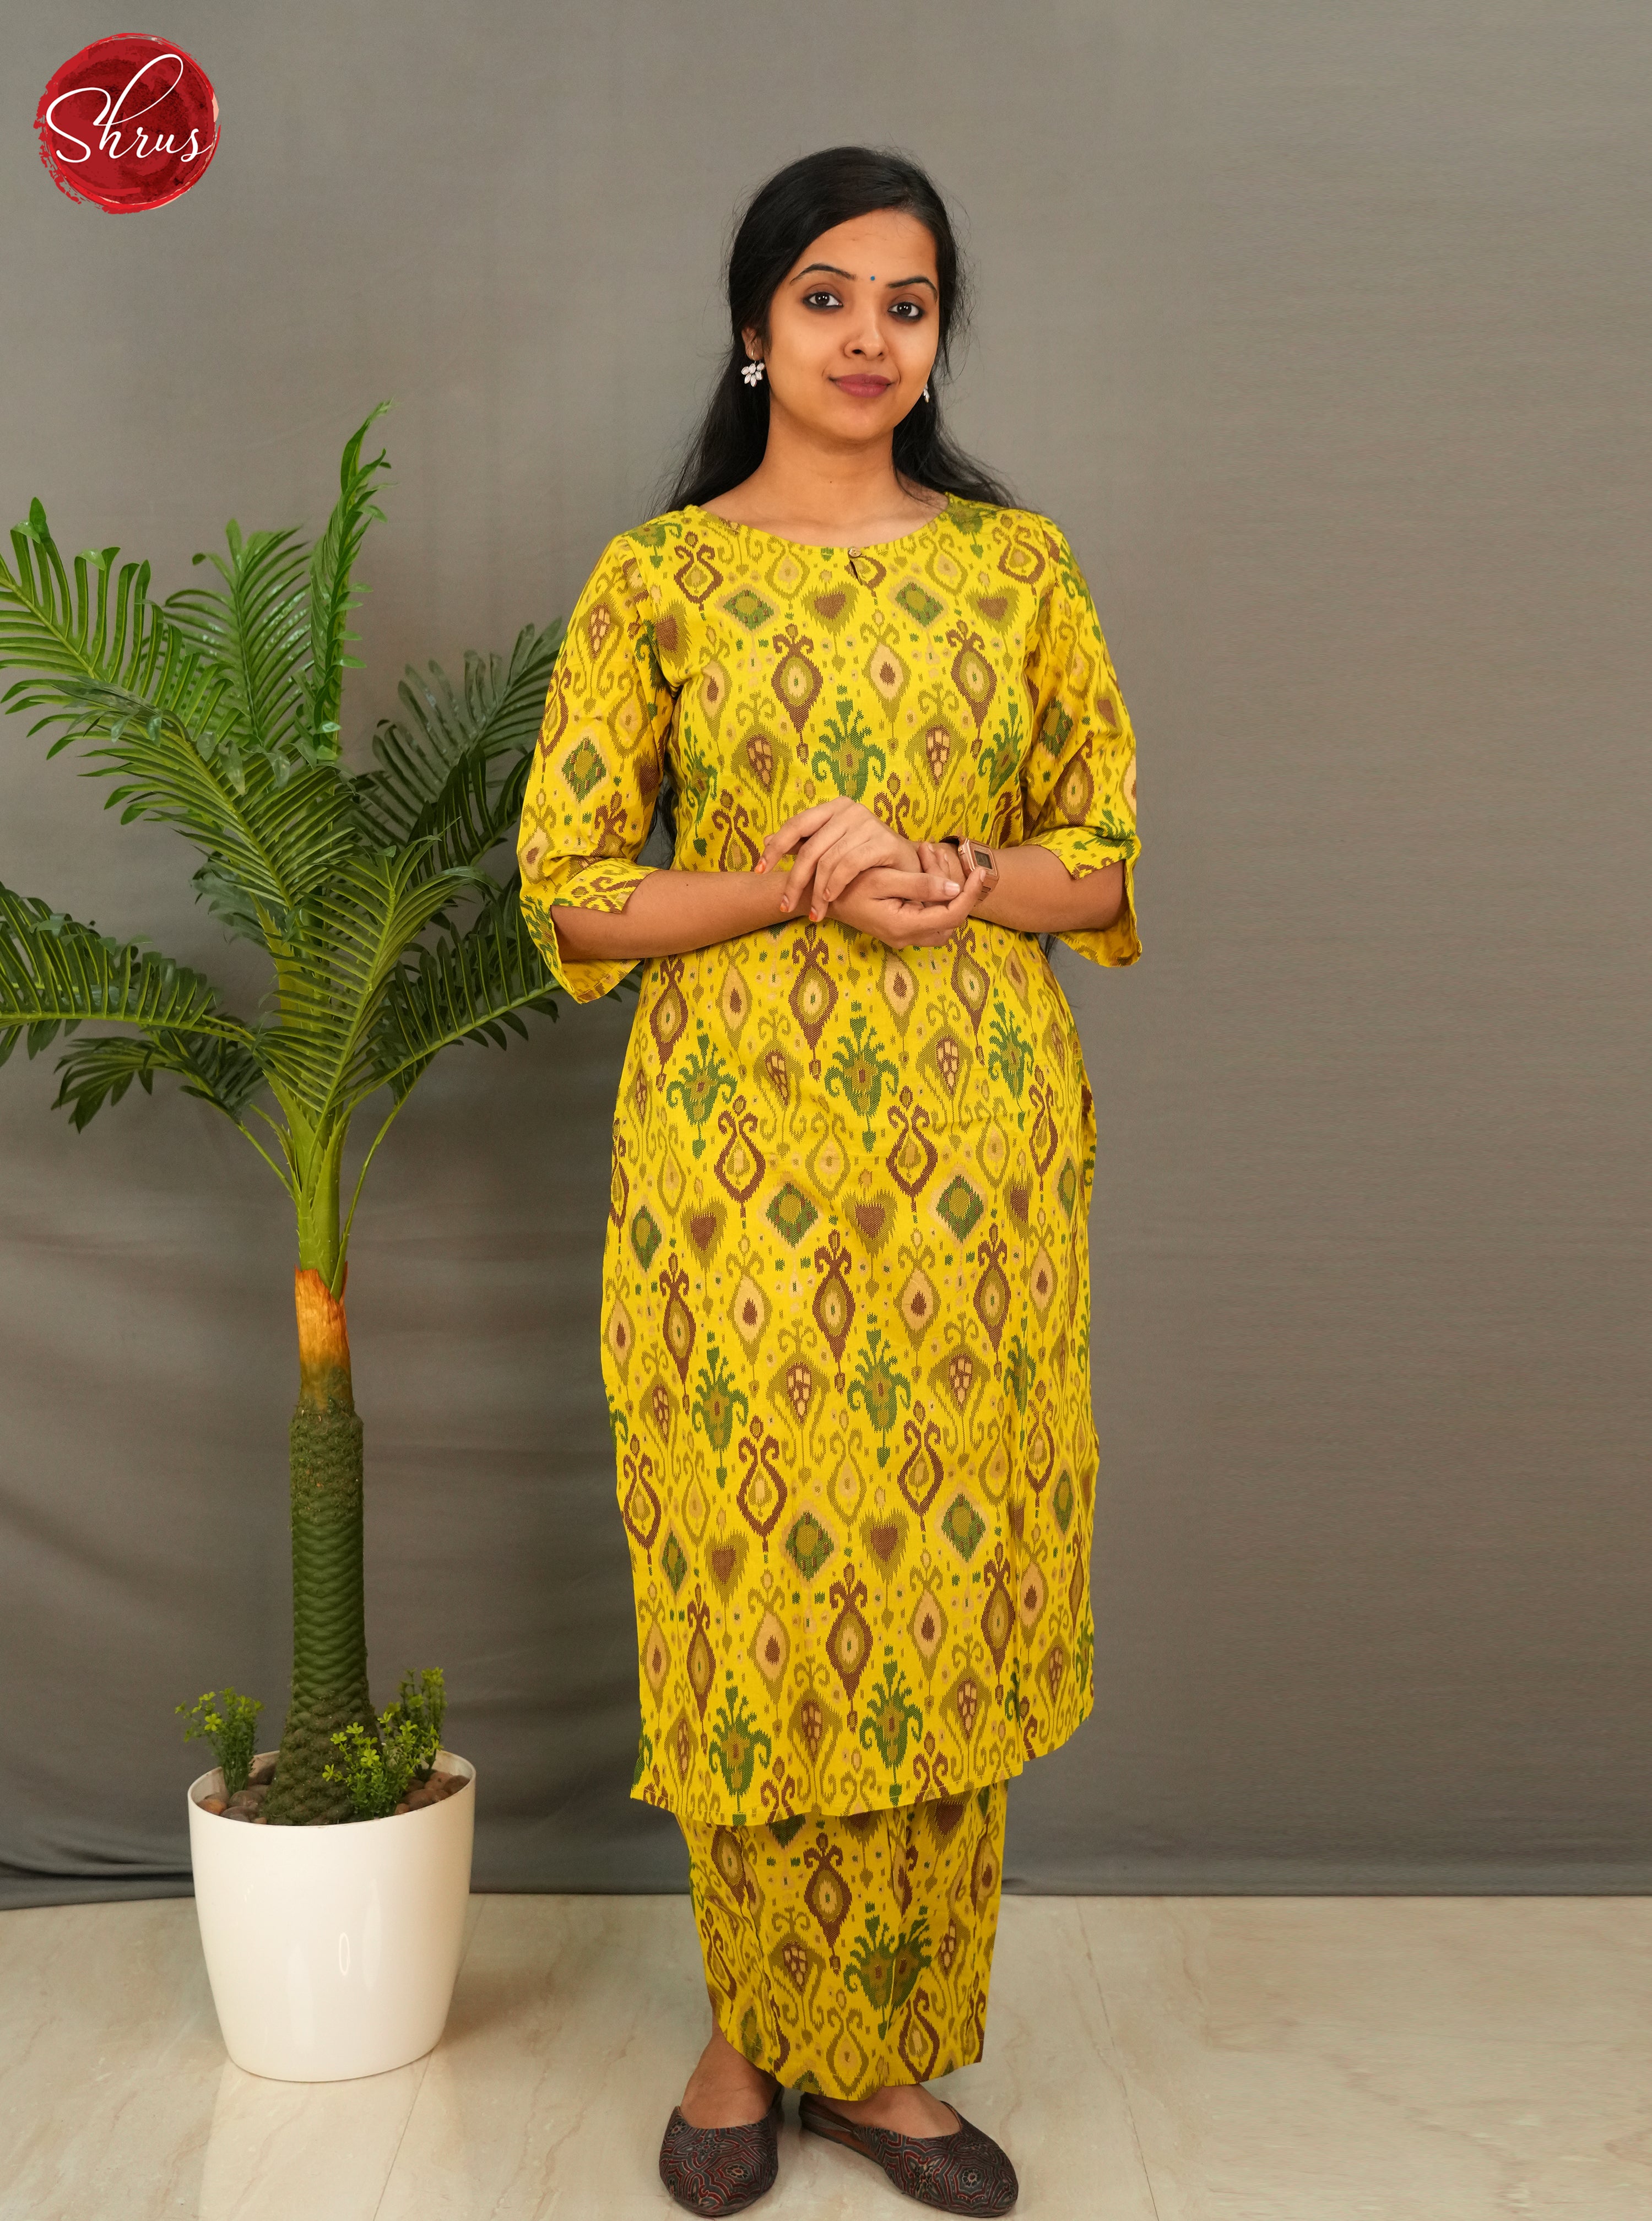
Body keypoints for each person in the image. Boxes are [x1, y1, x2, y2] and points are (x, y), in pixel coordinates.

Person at [517, 144, 1140, 2219]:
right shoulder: (659, 582)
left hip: (975, 1156)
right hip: (734, 1161)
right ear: (753, 325)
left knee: (940, 1578)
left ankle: (882, 2052)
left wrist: (954, 873)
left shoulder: (1020, 569)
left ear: (939, 337)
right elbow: (574, 894)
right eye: (827, 295)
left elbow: (1103, 863)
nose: (870, 336)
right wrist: (792, 883)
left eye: (909, 302)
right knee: (757, 1584)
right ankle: (749, 2027)